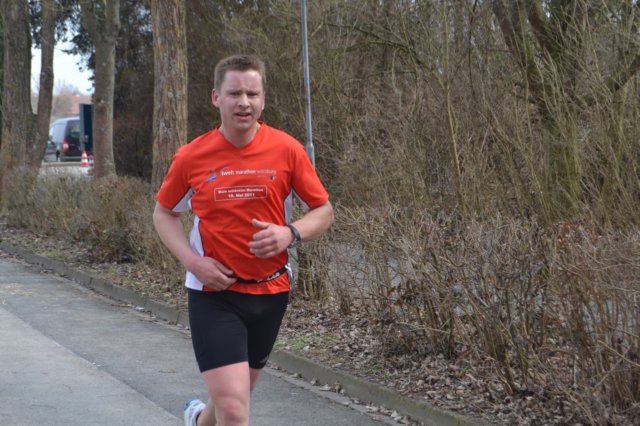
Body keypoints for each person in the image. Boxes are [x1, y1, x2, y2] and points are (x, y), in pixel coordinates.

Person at [153, 54, 334, 426]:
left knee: (231, 401)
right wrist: (193, 262)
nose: (244, 102)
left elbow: (324, 211)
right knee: (235, 409)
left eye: (252, 93)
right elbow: (164, 213)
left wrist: (290, 233)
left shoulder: (287, 150)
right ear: (216, 97)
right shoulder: (191, 156)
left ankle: (196, 420)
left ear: (263, 99)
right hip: (214, 295)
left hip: (270, 292)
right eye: (234, 93)